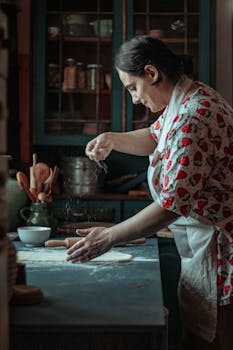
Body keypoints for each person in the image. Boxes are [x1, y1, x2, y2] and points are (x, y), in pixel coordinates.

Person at [67, 36, 233, 350]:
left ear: (152, 73)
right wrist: (112, 138)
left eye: (132, 87)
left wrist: (109, 236)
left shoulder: (193, 118)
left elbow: (172, 204)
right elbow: (155, 136)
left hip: (224, 256)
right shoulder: (185, 101)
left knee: (214, 341)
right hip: (205, 247)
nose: (133, 99)